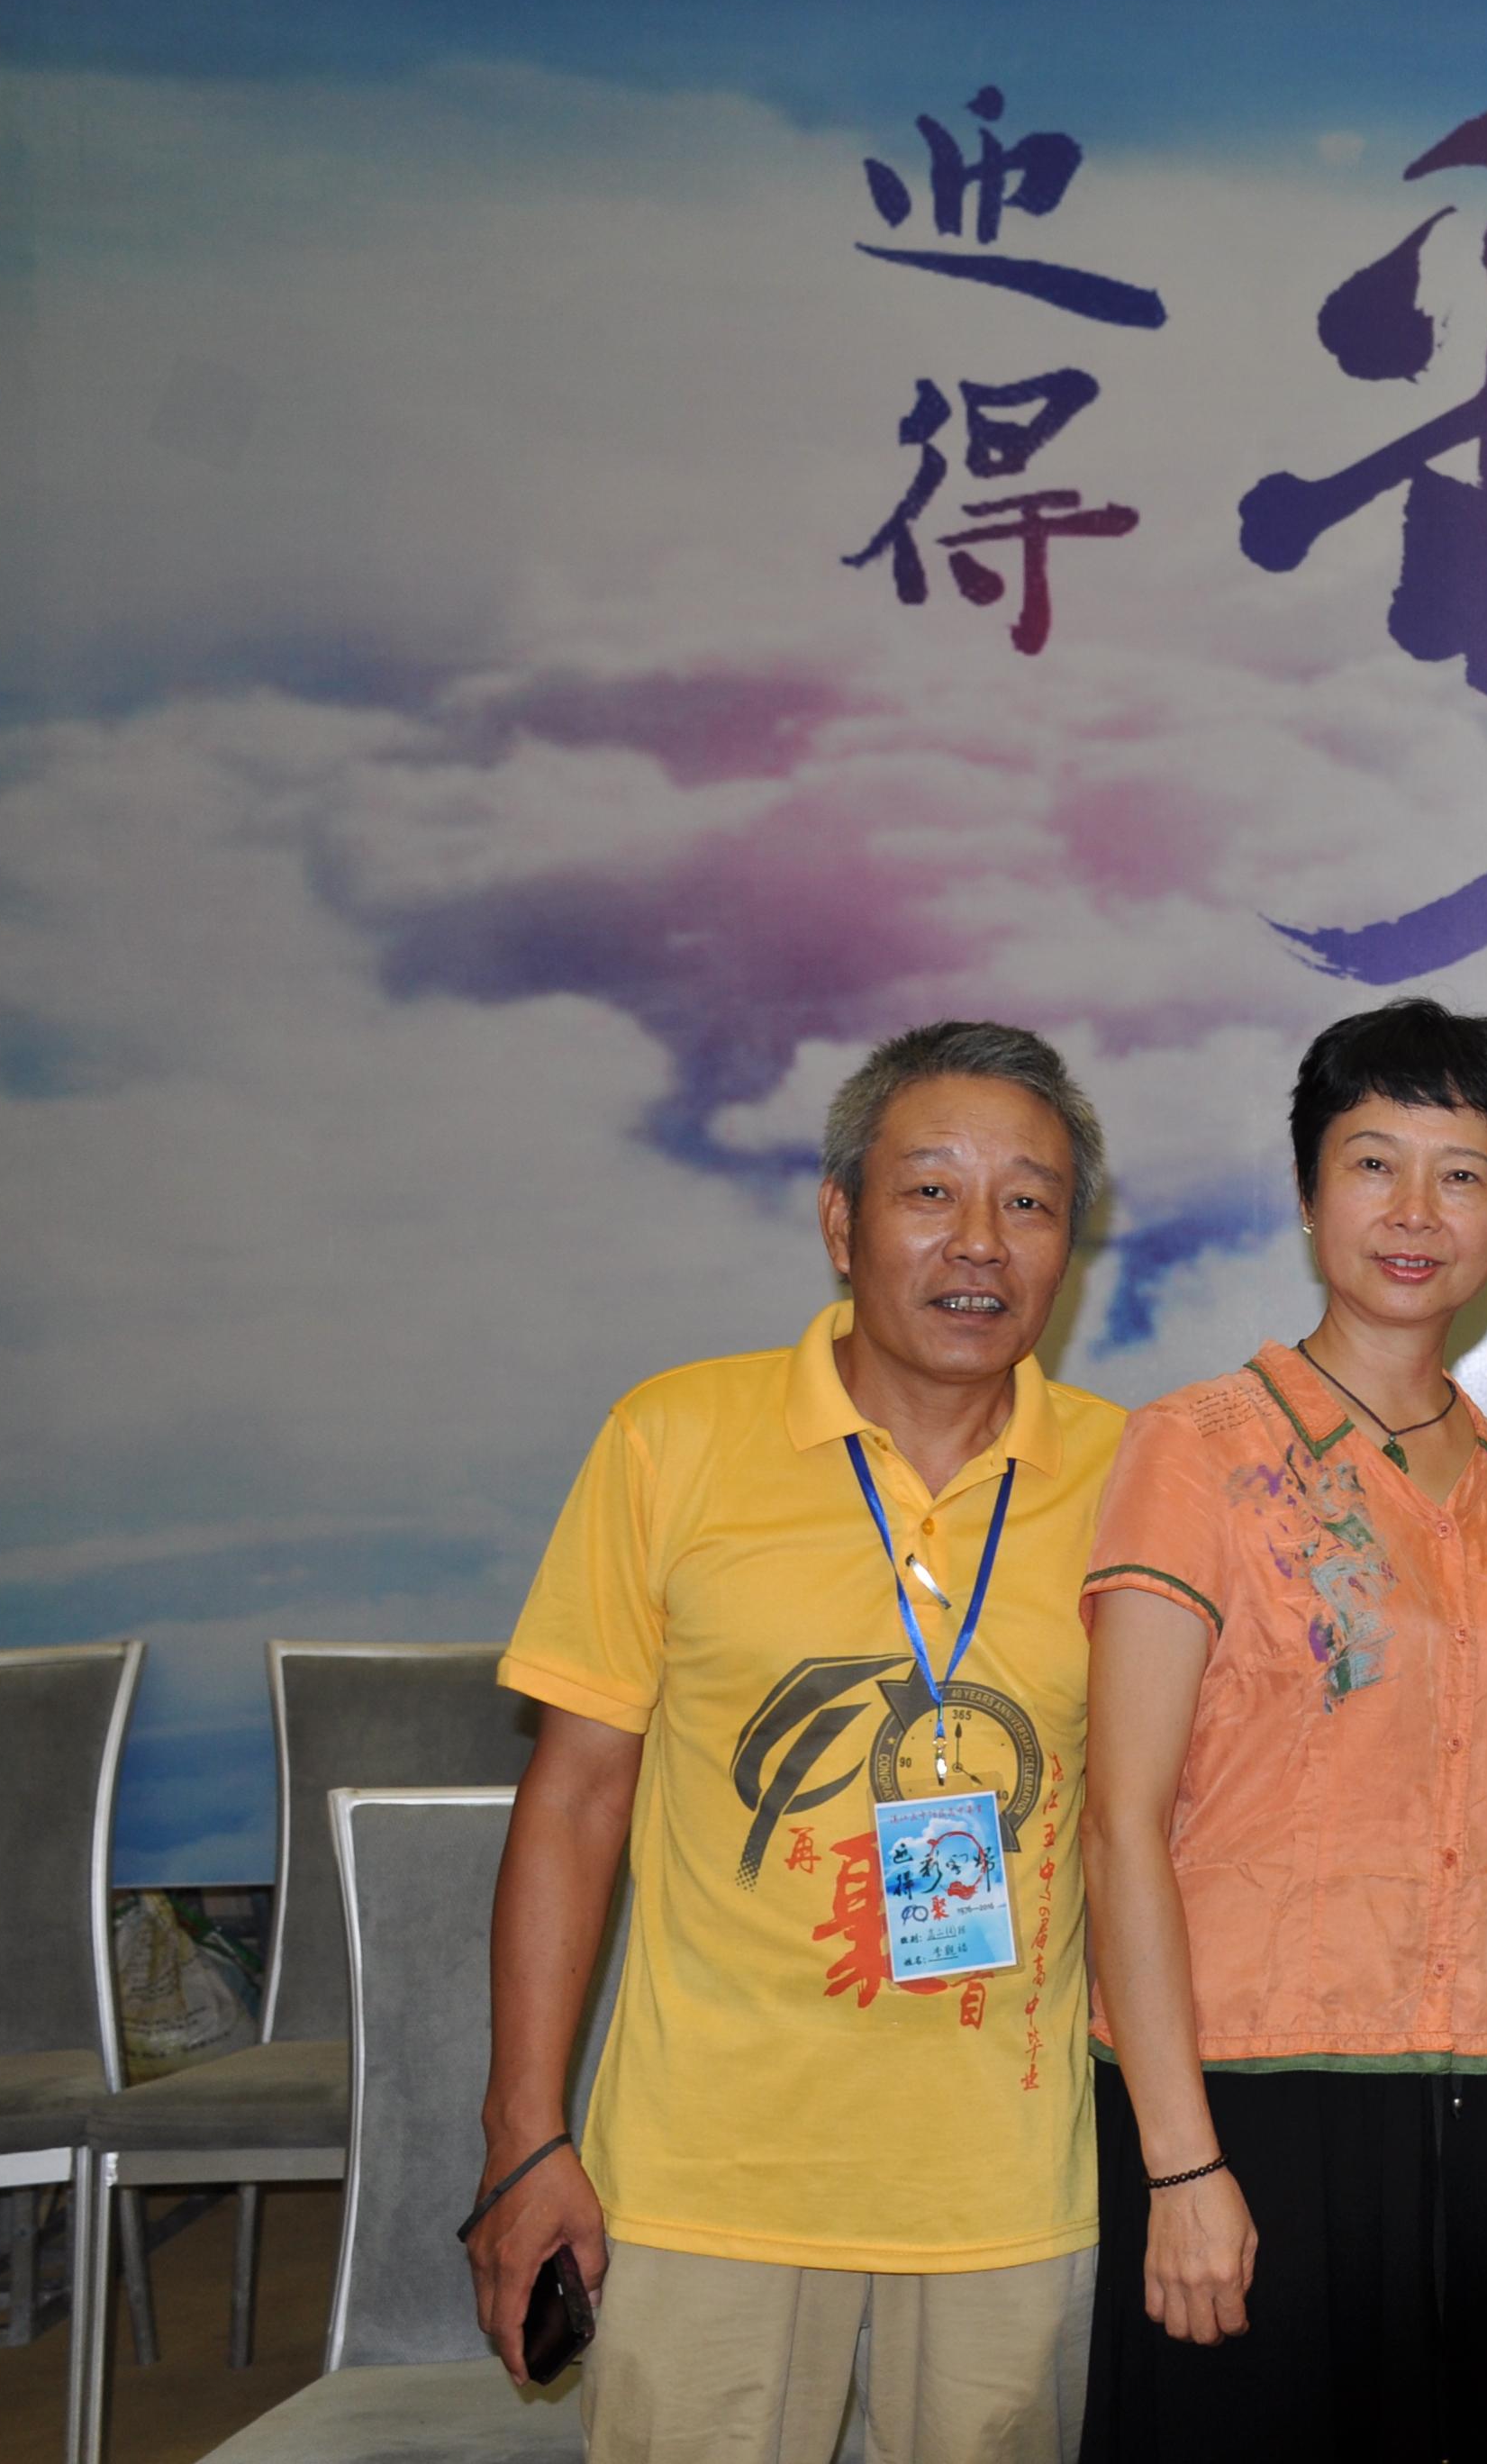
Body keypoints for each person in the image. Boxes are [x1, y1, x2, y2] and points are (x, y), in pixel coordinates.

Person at [469, 1020, 1124, 2464]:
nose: (980, 1240)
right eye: (930, 1190)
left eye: (1028, 1201)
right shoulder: (673, 1438)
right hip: (709, 2173)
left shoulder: (1135, 1479)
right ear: (840, 1221)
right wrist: (524, 2137)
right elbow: (573, 1804)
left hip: (1006, 2184)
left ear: (1069, 1246)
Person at [1074, 999, 1487, 2464]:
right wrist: (1180, 2164)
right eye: (1374, 1163)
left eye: (1463, 1173)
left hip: (1467, 2090)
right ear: (1311, 1194)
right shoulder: (1195, 1448)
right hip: (1241, 2102)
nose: (1415, 1211)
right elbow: (1119, 1823)